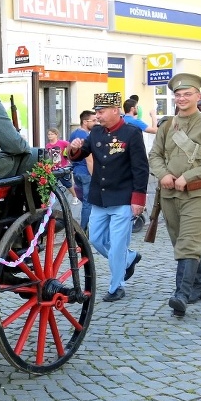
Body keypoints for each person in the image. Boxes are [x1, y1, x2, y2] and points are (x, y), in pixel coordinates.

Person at [67, 92, 148, 303]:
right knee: (95, 239)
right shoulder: (95, 133)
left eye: (101, 112)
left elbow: (140, 168)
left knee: (118, 244)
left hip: (123, 197)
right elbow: (80, 153)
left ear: (115, 110)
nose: (98, 116)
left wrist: (138, 199)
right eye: (96, 112)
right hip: (99, 198)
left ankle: (117, 285)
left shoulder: (131, 133)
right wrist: (73, 148)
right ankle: (129, 258)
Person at [148, 73, 201, 316]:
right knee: (179, 241)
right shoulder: (167, 125)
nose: (181, 98)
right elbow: (155, 155)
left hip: (197, 194)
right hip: (169, 195)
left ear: (198, 96)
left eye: (187, 94)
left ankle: (181, 294)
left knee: (188, 242)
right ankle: (199, 286)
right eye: (178, 95)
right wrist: (163, 174)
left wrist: (188, 177)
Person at [69, 110, 96, 232]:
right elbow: (89, 160)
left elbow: (69, 153)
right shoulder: (86, 136)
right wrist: (95, 176)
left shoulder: (74, 134)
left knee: (85, 201)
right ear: (85, 121)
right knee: (88, 203)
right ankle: (83, 229)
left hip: (76, 171)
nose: (96, 122)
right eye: (94, 120)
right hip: (86, 172)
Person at [45, 126, 76, 200]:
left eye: (52, 134)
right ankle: (51, 199)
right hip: (53, 168)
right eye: (48, 134)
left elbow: (71, 146)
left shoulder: (62, 143)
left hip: (63, 167)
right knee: (52, 184)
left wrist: (67, 154)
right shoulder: (48, 145)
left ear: (56, 135)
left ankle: (75, 197)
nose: (50, 136)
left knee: (67, 184)